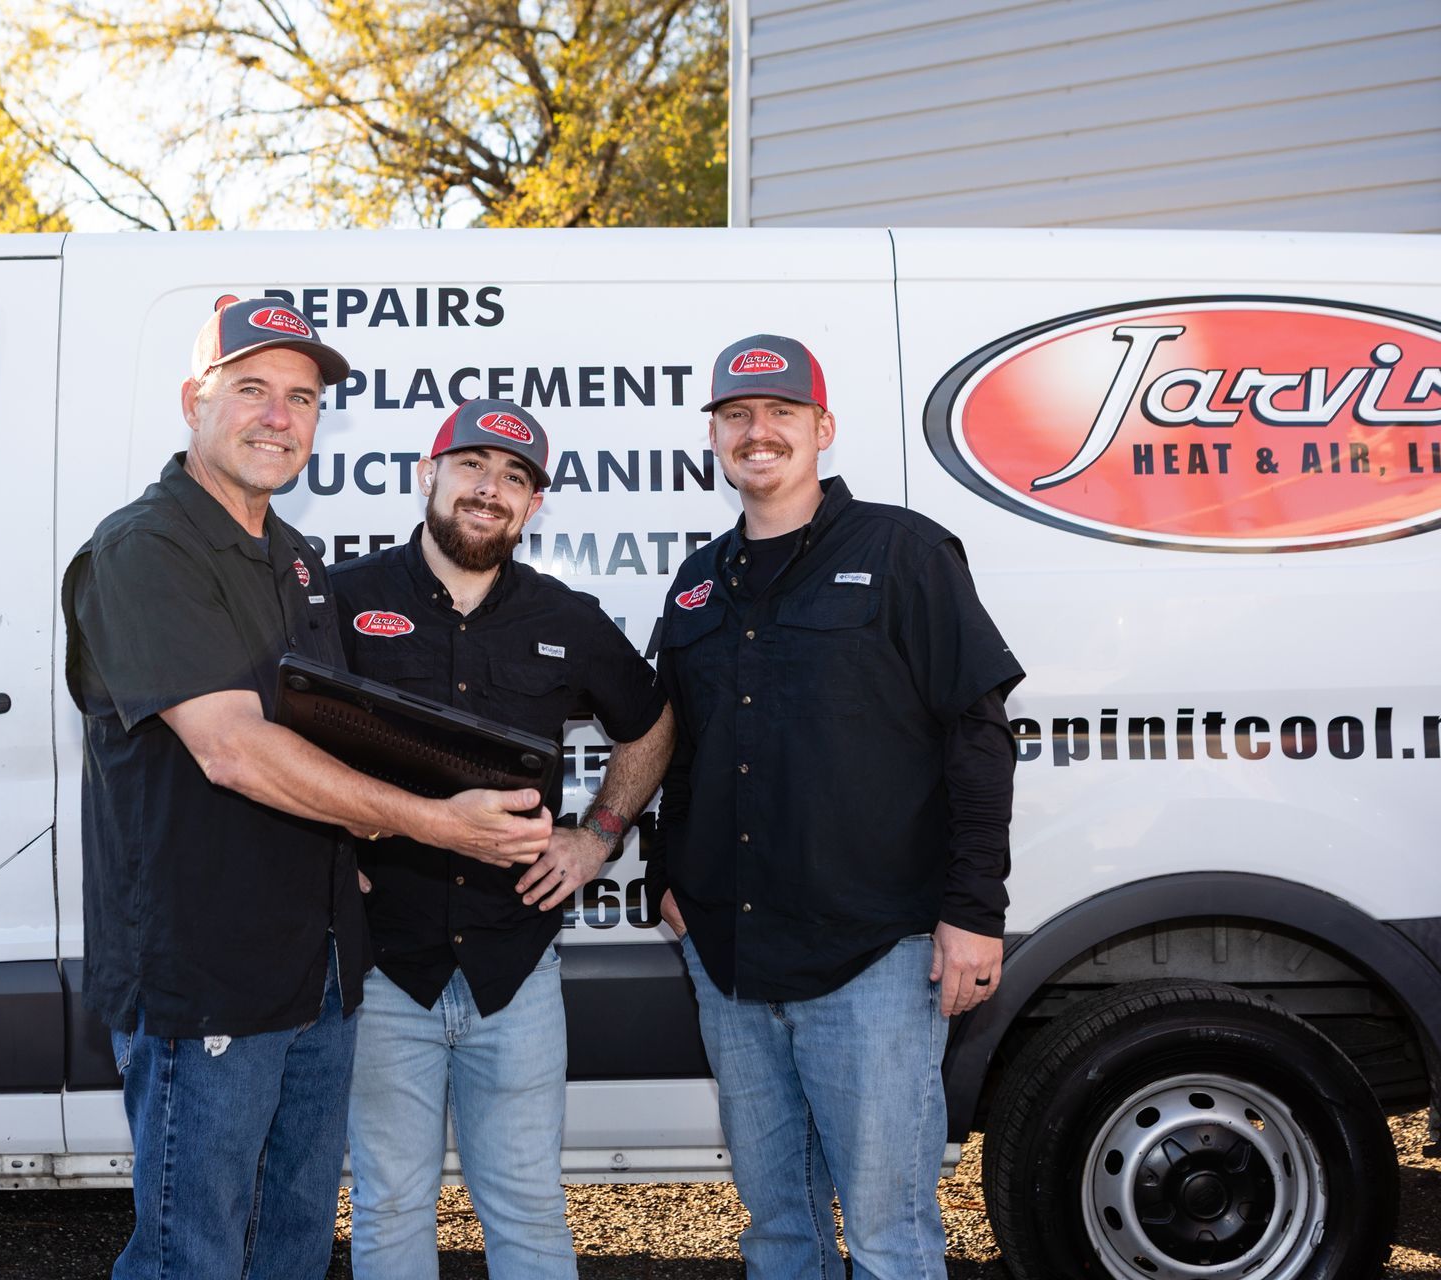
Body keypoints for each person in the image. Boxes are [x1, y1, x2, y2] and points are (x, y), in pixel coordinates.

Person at [62, 299, 554, 1279]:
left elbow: (333, 734)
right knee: (189, 1255)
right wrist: (434, 822)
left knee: (287, 1245)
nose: (278, 416)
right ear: (194, 401)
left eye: (301, 397)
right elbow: (235, 751)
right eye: (251, 389)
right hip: (208, 976)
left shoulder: (294, 557)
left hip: (318, 970)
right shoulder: (144, 551)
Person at [649, 334, 1024, 1280]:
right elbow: (683, 746)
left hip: (873, 958)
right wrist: (666, 872)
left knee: (892, 1239)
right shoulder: (698, 581)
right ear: (715, 438)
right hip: (732, 960)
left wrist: (975, 912)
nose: (757, 431)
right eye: (737, 415)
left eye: (780, 412)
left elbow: (978, 734)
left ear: (822, 428)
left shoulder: (901, 552)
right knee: (778, 1232)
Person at [332, 398, 674, 1280]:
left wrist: (597, 835)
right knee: (390, 1204)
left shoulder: (566, 616)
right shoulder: (345, 600)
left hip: (516, 969)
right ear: (427, 476)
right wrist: (330, 853)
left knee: (525, 1206)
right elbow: (288, 745)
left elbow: (653, 721)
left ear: (534, 506)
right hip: (384, 969)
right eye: (473, 467)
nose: (491, 490)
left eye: (515, 478)